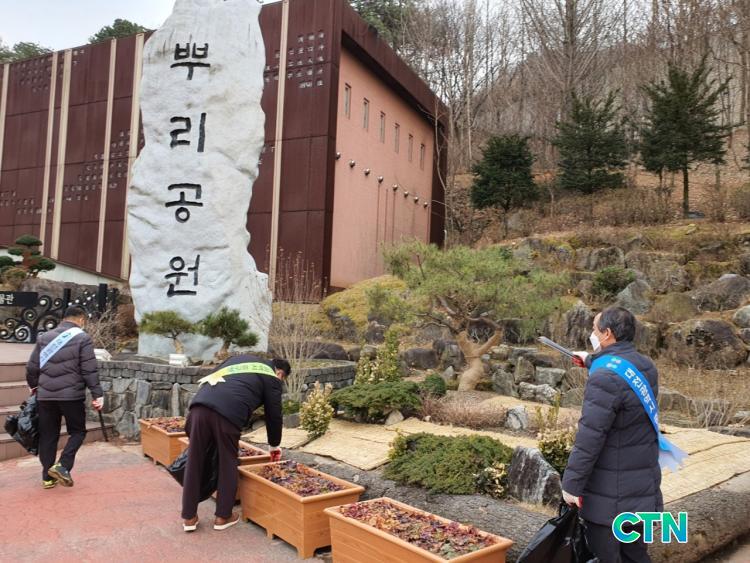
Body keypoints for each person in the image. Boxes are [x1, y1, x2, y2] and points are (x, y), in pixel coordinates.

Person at [562, 306, 662, 563]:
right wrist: (589, 359)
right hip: (642, 488)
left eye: (594, 329)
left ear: (606, 334)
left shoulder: (604, 377)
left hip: (610, 497)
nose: (592, 334)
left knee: (606, 556)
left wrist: (571, 485)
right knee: (636, 555)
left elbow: (589, 438)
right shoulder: (646, 366)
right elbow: (620, 369)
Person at [181, 354, 290, 532]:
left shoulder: (238, 359)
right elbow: (274, 415)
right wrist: (274, 445)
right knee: (227, 461)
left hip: (198, 409)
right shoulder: (272, 377)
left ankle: (189, 518)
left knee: (194, 461)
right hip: (227, 416)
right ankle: (223, 516)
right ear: (280, 373)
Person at [26, 305, 104, 489]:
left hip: (45, 396)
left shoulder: (44, 337)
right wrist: (97, 394)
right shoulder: (82, 338)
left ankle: (47, 478)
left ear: (63, 319)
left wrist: (34, 386)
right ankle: (62, 465)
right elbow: (89, 370)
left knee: (48, 435)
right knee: (78, 432)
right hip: (71, 396)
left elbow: (32, 367)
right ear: (81, 320)